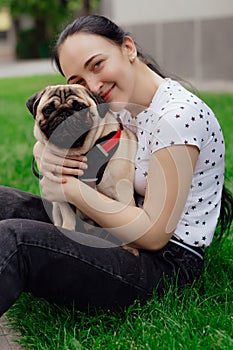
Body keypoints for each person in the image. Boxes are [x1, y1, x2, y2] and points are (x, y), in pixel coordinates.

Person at [0, 15, 232, 316]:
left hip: (161, 263)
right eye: (79, 82)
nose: (94, 85)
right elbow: (69, 147)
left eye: (97, 64)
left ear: (129, 48)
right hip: (106, 228)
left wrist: (69, 189)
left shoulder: (176, 117)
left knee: (14, 239)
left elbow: (154, 233)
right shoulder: (120, 108)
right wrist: (45, 155)